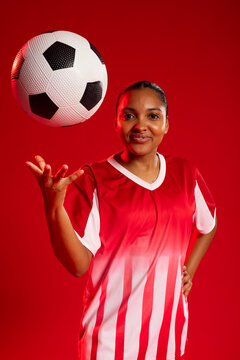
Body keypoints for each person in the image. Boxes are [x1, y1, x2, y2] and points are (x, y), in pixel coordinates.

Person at [26, 81, 217, 360]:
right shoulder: (93, 179)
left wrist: (189, 269)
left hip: (167, 337)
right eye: (129, 115)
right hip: (108, 342)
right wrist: (54, 209)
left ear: (166, 124)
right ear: (115, 124)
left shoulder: (186, 174)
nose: (141, 125)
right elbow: (78, 265)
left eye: (153, 116)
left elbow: (208, 225)